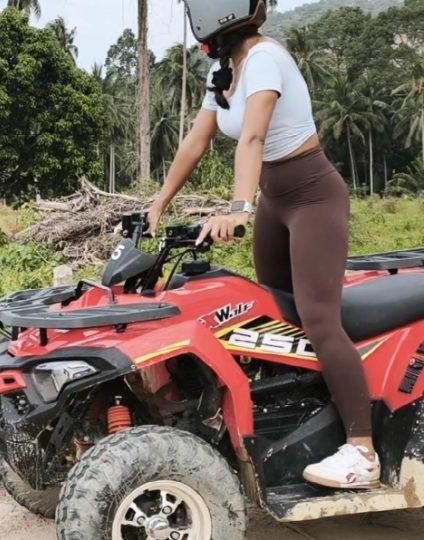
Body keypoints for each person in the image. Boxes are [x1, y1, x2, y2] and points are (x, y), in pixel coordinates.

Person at [150, 0, 380, 489]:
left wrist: (239, 208)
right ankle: (306, 420)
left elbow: (252, 138)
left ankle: (363, 450)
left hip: (313, 196)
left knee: (318, 317)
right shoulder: (225, 73)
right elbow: (195, 142)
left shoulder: (265, 59)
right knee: (275, 313)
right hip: (278, 199)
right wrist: (157, 205)